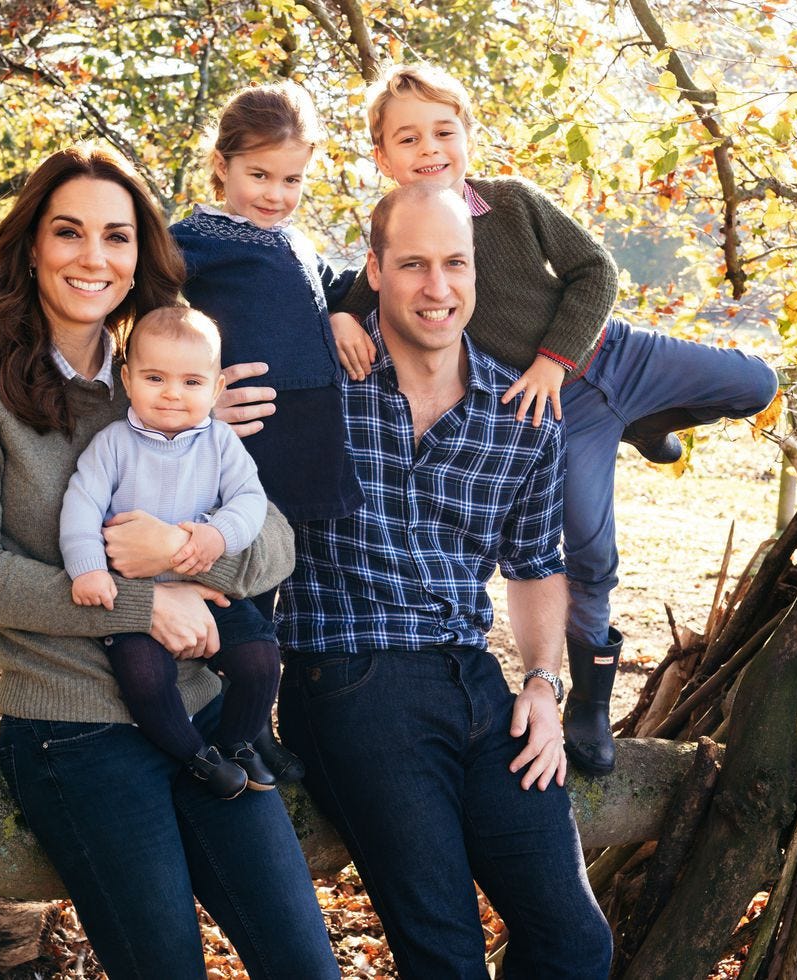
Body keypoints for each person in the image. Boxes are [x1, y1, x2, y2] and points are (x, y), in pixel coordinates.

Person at [0, 143, 340, 980]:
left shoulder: (166, 377)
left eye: (117, 236)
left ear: (141, 254)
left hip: (205, 711)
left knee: (306, 965)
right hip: (74, 727)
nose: (93, 257)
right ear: (31, 244)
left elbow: (277, 540)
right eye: (68, 232)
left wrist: (188, 554)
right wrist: (147, 606)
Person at [330, 61, 779, 776]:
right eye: (408, 139)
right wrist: (337, 318)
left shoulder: (512, 203)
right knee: (589, 554)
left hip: (613, 355)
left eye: (444, 131)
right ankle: (590, 706)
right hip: (559, 414)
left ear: (468, 135)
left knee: (757, 381)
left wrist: (552, 358)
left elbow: (596, 271)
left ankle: (648, 420)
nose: (430, 149)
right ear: (383, 158)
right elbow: (361, 294)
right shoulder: (403, 241)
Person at [272, 182, 614, 978]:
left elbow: (535, 563)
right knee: (446, 955)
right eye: (414, 264)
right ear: (375, 270)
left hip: (474, 680)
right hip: (350, 676)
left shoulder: (520, 409)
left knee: (575, 943)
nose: (438, 287)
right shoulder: (318, 382)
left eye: (454, 264)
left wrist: (541, 682)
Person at [170, 80, 364, 779]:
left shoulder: (295, 239)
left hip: (307, 441)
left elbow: (333, 285)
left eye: (292, 179)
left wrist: (342, 312)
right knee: (240, 587)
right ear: (221, 165)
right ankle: (233, 726)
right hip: (248, 441)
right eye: (259, 175)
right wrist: (192, 393)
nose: (276, 194)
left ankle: (258, 723)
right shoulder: (193, 241)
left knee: (275, 589)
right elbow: (143, 319)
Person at [60, 306, 281, 800]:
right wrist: (89, 569)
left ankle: (238, 741)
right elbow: (80, 505)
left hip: (203, 590)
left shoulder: (221, 443)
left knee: (260, 658)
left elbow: (250, 502)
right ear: (127, 378)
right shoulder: (112, 444)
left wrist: (216, 536)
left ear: (216, 388)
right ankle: (195, 756)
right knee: (144, 677)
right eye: (154, 377)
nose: (172, 393)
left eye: (191, 381)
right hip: (134, 598)